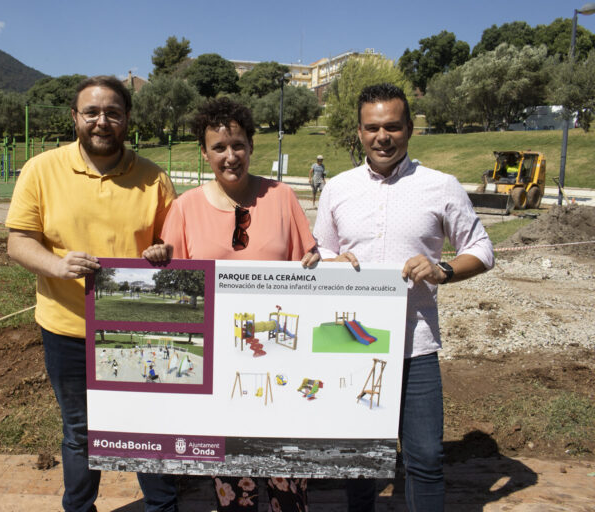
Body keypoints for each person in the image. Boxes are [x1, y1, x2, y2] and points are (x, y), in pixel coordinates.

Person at [313, 83, 495, 511]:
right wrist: (332, 261)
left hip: (416, 346)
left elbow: (482, 249)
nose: (382, 137)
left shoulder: (442, 186)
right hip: (349, 342)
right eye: (372, 127)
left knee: (426, 458)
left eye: (392, 126)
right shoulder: (337, 188)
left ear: (410, 129)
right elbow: (320, 251)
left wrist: (443, 270)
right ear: (359, 132)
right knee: (358, 459)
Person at [5, 75, 178, 512]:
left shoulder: (154, 178)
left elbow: (174, 242)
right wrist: (57, 266)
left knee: (146, 427)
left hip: (137, 329)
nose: (102, 121)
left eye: (113, 113)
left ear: (127, 119)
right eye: (92, 112)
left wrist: (163, 251)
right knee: (80, 431)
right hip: (66, 329)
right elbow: (19, 242)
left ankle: (162, 507)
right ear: (75, 117)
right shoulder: (41, 169)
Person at [144, 97, 319, 512]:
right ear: (205, 153)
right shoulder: (185, 208)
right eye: (219, 147)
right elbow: (175, 283)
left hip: (281, 360)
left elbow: (309, 263)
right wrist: (156, 261)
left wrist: (322, 264)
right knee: (234, 484)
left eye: (238, 145)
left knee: (288, 481)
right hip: (220, 367)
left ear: (251, 146)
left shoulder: (282, 197)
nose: (230, 155)